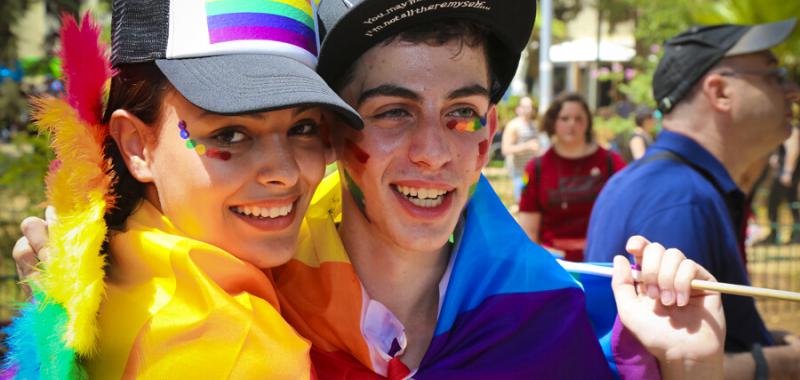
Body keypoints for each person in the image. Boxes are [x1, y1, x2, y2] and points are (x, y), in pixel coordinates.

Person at [14, 1, 725, 378]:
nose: (433, 152)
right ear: (345, 131)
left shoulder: (553, 318)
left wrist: (690, 370)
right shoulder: (242, 320)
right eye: (390, 112)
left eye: (462, 115)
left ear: (491, 133)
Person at [4, 1, 361, 378]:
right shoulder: (237, 353)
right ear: (136, 146)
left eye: (303, 127)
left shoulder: (102, 267)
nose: (286, 173)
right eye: (231, 134)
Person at [585, 19, 800, 379]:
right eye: (774, 75)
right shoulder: (680, 200)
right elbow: (667, 365)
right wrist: (787, 363)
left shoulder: (673, 184)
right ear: (719, 92)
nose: (792, 90)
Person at [517, 93, 625, 262]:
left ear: (588, 122)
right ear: (553, 122)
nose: (572, 124)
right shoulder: (536, 168)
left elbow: (627, 213)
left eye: (578, 118)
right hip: (553, 265)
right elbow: (528, 230)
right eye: (565, 118)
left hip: (601, 262)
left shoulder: (611, 162)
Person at [761, 127, 800, 244]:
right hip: (790, 175)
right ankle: (796, 236)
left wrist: (787, 172)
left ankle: (774, 235)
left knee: (773, 203)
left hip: (786, 176)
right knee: (792, 204)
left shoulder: (792, 129)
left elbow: (793, 149)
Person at [501, 96, 540, 204]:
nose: (528, 109)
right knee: (523, 201)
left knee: (533, 202)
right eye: (525, 106)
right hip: (519, 171)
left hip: (533, 170)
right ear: (518, 109)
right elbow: (506, 149)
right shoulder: (513, 126)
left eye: (530, 106)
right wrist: (527, 146)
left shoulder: (534, 125)